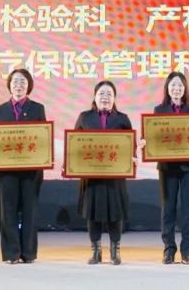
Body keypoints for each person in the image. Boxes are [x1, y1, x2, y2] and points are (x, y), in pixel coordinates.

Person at [75, 81, 132, 265]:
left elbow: (129, 146)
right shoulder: (84, 117)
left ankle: (115, 251)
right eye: (101, 93)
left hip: (115, 176)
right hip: (91, 176)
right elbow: (74, 145)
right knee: (92, 212)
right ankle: (96, 251)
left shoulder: (122, 119)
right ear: (94, 96)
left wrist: (134, 156)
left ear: (114, 98)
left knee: (115, 212)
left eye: (109, 94)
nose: (105, 97)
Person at [0, 69, 46, 264]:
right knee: (8, 211)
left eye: (23, 81)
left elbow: (43, 138)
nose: (18, 85)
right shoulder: (0, 110)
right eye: (15, 81)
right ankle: (11, 253)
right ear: (9, 85)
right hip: (6, 170)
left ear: (29, 85)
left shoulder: (38, 108)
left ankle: (29, 253)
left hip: (31, 170)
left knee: (30, 210)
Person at [155, 72, 189, 265]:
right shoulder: (159, 110)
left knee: (188, 209)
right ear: (167, 88)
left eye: (180, 85)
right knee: (168, 209)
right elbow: (155, 136)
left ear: (185, 88)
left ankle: (187, 250)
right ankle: (169, 249)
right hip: (167, 167)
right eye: (173, 85)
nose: (177, 89)